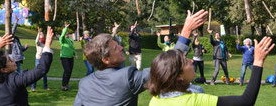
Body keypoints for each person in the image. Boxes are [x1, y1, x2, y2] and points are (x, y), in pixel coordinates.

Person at [73, 9, 208, 106]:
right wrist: (185, 32)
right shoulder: (126, 77)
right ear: (105, 60)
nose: (121, 48)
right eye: (116, 48)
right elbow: (168, 66)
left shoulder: (84, 83)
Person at [147, 36, 275, 106]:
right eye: (186, 61)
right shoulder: (195, 101)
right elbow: (246, 102)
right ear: (178, 75)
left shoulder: (155, 101)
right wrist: (258, 62)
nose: (191, 61)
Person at [0, 26, 54, 105]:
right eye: (10, 60)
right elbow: (41, 69)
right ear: (3, 70)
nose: (13, 59)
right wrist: (47, 44)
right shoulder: (14, 81)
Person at [60, 22, 78, 91]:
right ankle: (63, 85)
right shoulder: (62, 40)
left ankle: (66, 84)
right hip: (64, 57)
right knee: (67, 70)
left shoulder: (70, 40)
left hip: (71, 57)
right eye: (65, 32)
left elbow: (72, 48)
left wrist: (75, 54)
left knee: (70, 71)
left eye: (67, 32)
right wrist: (66, 28)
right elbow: (62, 35)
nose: (66, 33)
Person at [31, 27, 49, 92]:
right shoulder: (38, 43)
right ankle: (33, 87)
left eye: (42, 34)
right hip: (38, 59)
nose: (42, 35)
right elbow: (36, 41)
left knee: (45, 74)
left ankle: (45, 87)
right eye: (41, 34)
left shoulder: (45, 43)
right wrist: (38, 33)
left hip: (43, 60)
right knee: (36, 73)